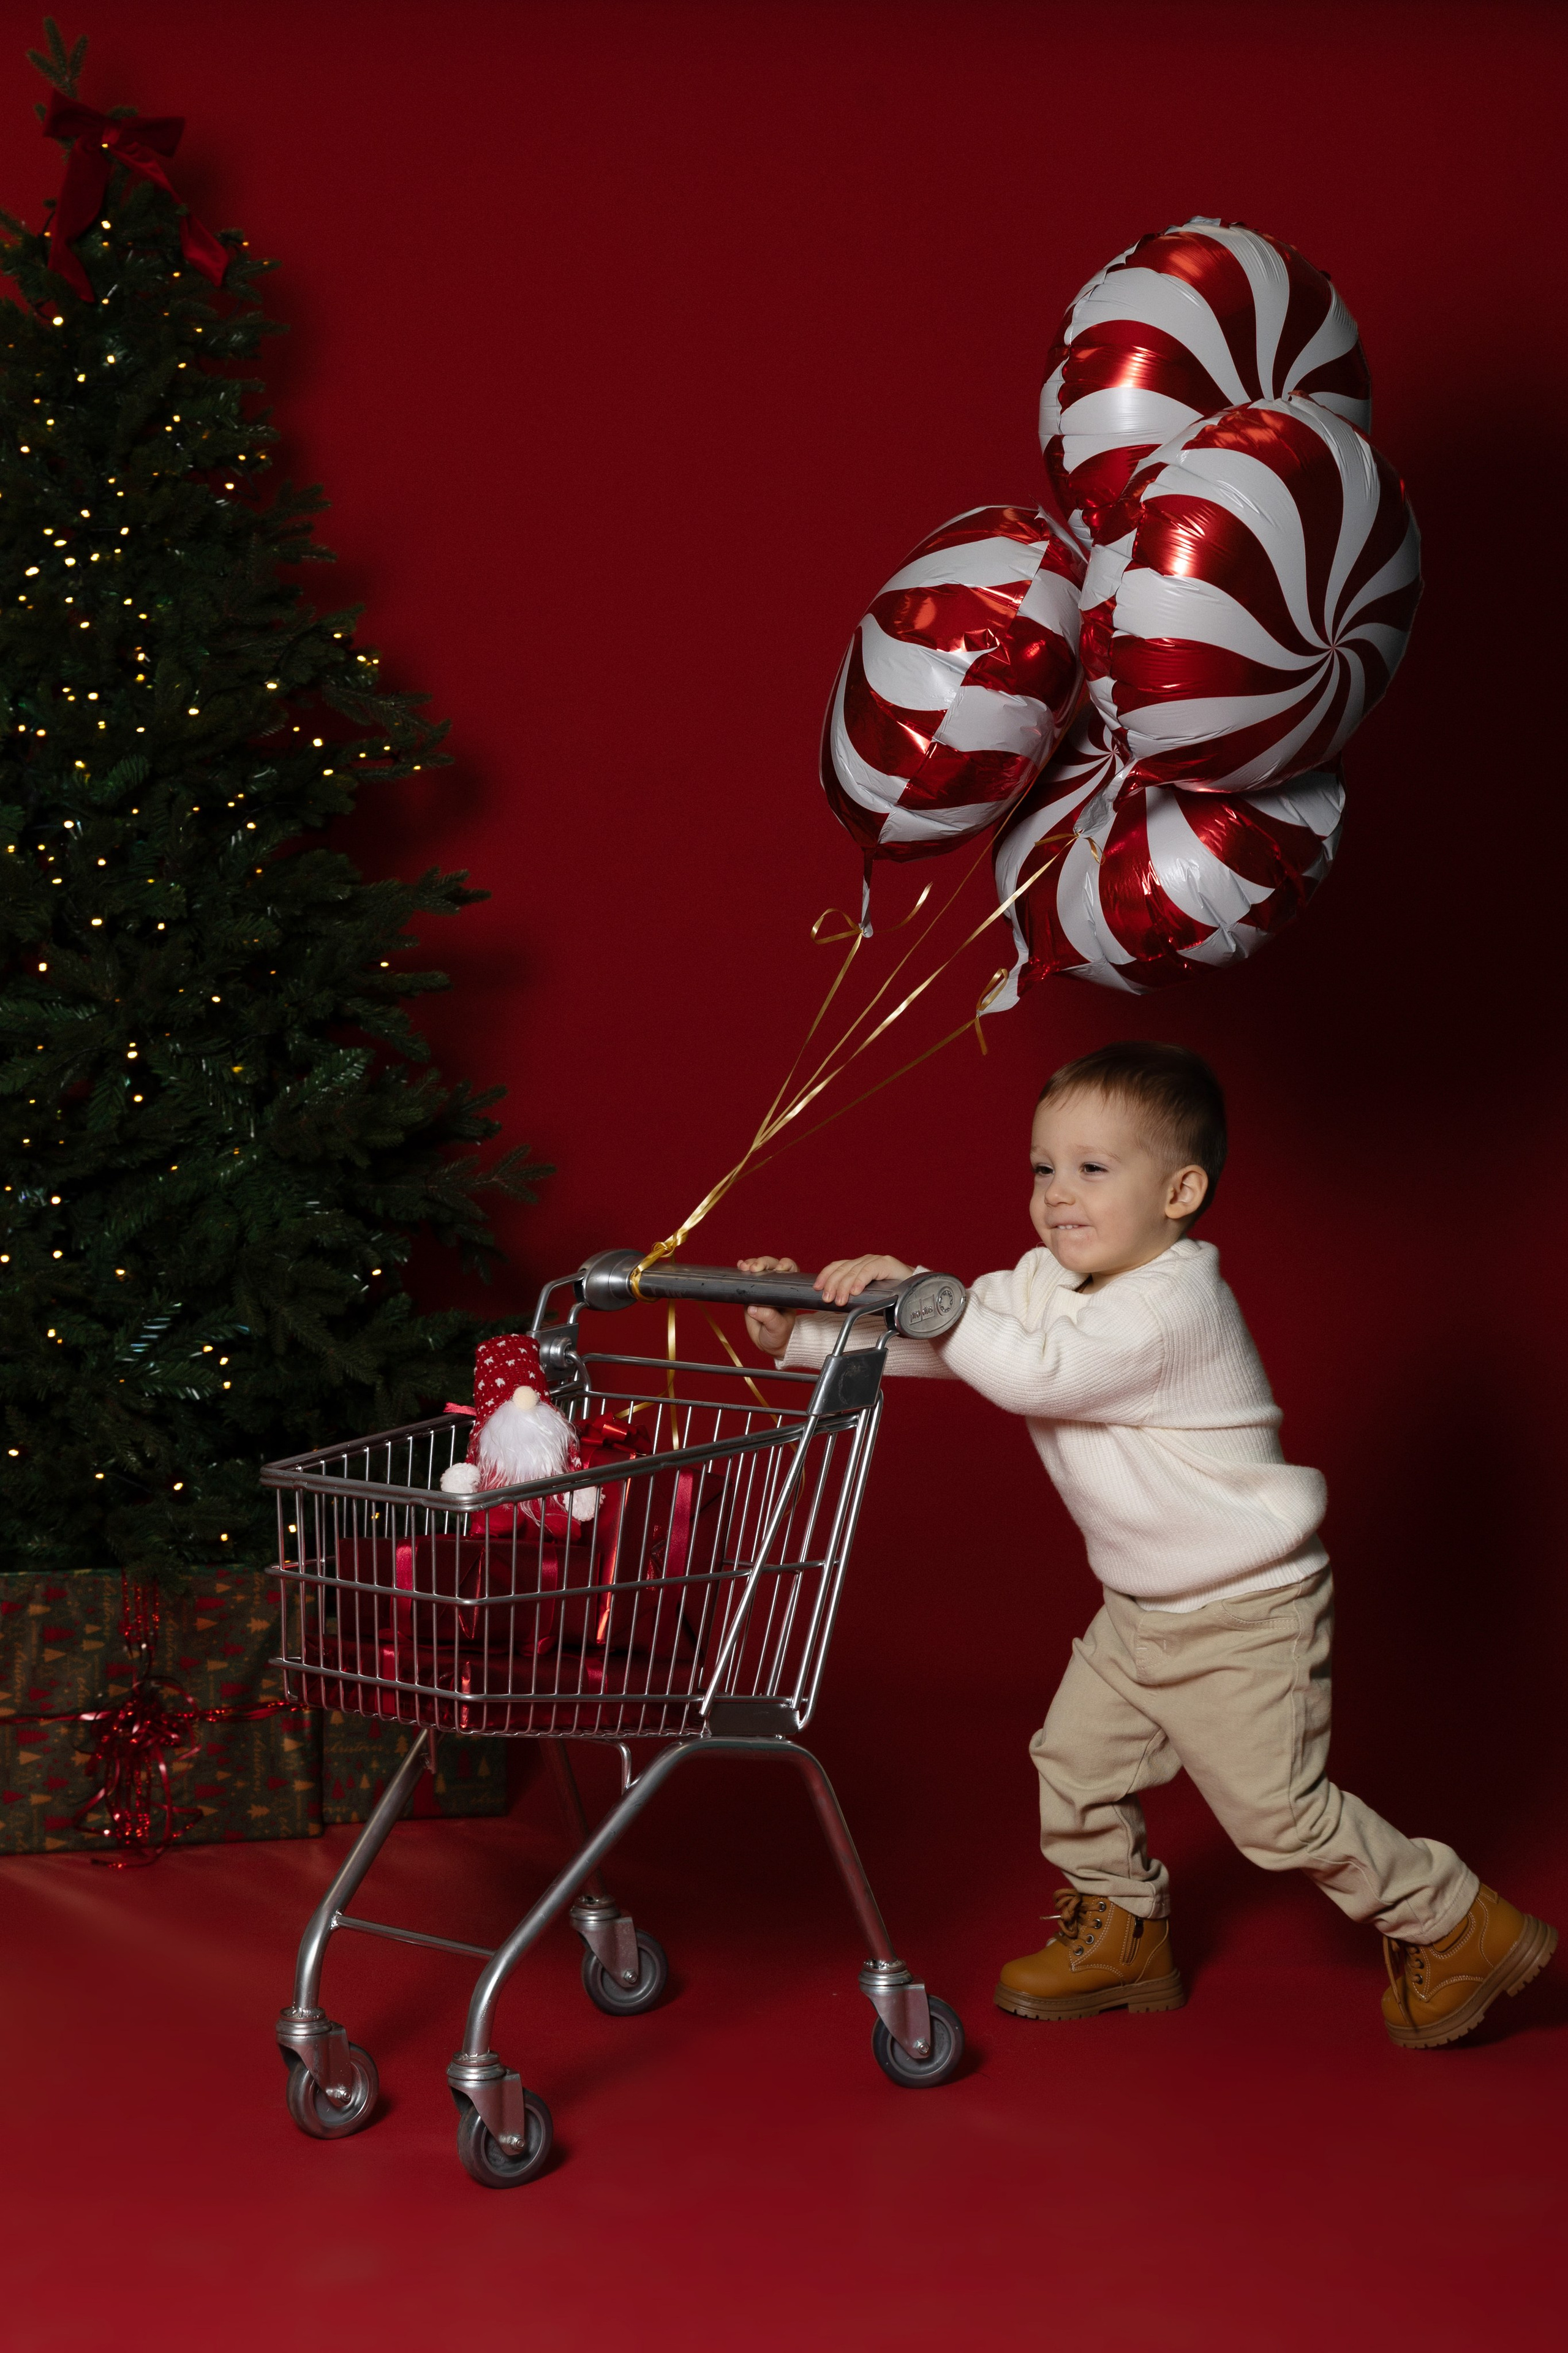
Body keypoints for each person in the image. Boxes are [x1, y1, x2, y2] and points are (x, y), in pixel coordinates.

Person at [739, 1040, 1556, 2049]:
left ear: (1180, 1191)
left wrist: (928, 1293)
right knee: (1074, 1761)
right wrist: (806, 1334)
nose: (1057, 1194)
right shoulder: (1048, 1282)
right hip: (1140, 1607)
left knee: (1279, 1815)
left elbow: (1030, 1372)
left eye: (1092, 1168)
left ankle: (1456, 1922)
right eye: (1043, 1167)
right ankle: (1124, 1933)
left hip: (1245, 1609)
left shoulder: (1175, 1304)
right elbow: (961, 1344)